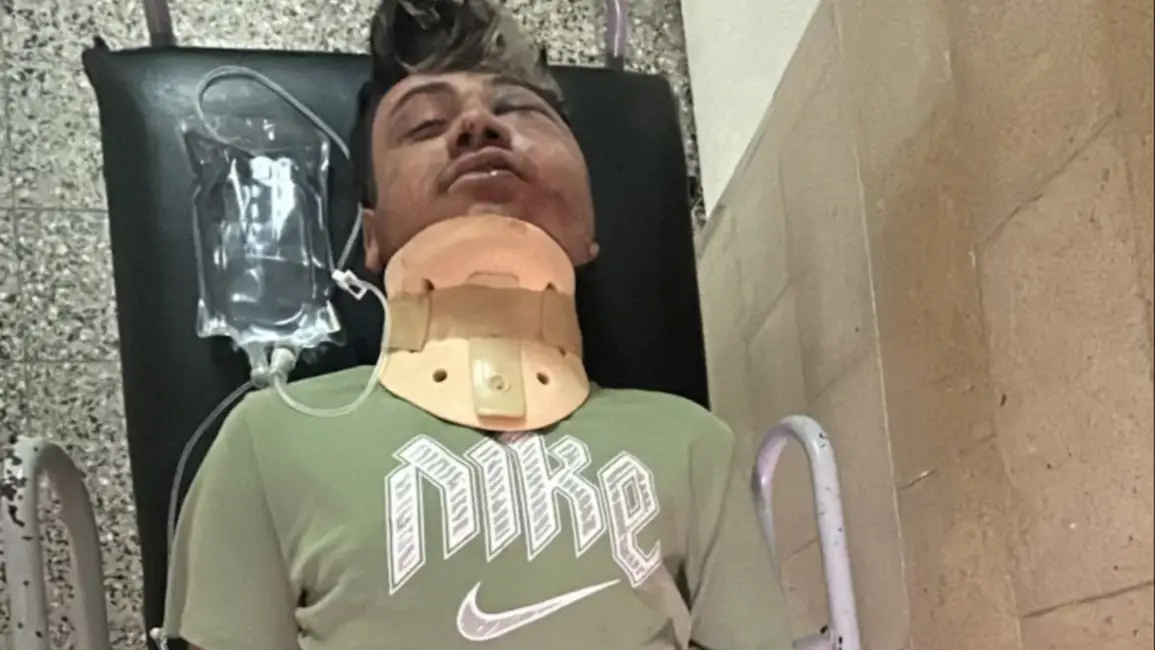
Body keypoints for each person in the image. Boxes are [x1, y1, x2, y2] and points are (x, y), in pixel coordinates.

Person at [161, 1, 794, 649]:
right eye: (424, 125)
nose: (477, 125)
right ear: (371, 238)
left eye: (518, 110)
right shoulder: (269, 441)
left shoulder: (693, 444)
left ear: (589, 222)